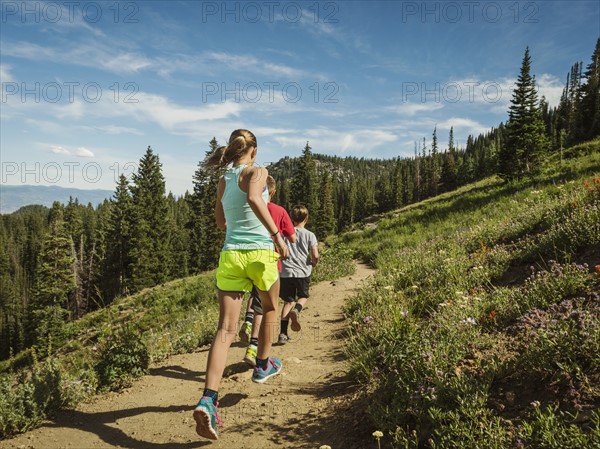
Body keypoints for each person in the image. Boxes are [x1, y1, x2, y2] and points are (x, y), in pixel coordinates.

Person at [193, 129, 289, 441]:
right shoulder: (258, 171)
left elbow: (220, 222)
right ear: (254, 150)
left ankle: (209, 398)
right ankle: (263, 364)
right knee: (271, 308)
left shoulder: (223, 180)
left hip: (231, 254)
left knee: (225, 330)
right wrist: (276, 236)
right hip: (261, 253)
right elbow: (252, 197)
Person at [239, 176, 297, 366]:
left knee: (254, 301)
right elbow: (293, 237)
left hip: (246, 260)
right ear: (272, 193)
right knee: (265, 308)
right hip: (270, 264)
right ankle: (255, 351)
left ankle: (247, 325)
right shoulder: (279, 211)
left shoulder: (249, 208)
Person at [278, 205, 319, 343]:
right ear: (306, 218)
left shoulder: (284, 234)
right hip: (303, 271)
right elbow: (315, 254)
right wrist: (314, 262)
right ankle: (297, 310)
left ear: (291, 218)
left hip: (285, 271)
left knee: (287, 301)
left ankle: (283, 334)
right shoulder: (310, 235)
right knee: (303, 296)